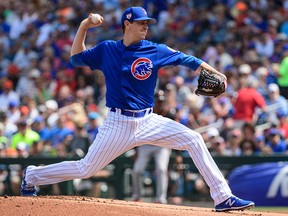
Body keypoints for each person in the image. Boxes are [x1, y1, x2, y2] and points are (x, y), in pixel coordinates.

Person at [20, 7, 255, 212]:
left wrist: (215, 72)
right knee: (86, 168)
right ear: (127, 24)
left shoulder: (154, 49)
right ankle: (32, 176)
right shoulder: (108, 49)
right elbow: (76, 58)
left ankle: (223, 197)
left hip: (148, 120)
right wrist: (84, 26)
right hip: (118, 123)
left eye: (147, 23)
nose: (145, 27)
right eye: (141, 23)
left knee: (194, 139)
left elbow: (188, 60)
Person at [131, 90, 172, 204]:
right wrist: (136, 149)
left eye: (161, 101)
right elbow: (137, 131)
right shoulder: (145, 112)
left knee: (161, 169)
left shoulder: (170, 113)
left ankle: (160, 198)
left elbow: (177, 134)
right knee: (137, 170)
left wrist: (177, 153)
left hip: (162, 145)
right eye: (157, 101)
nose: (159, 103)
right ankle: (137, 196)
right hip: (145, 145)